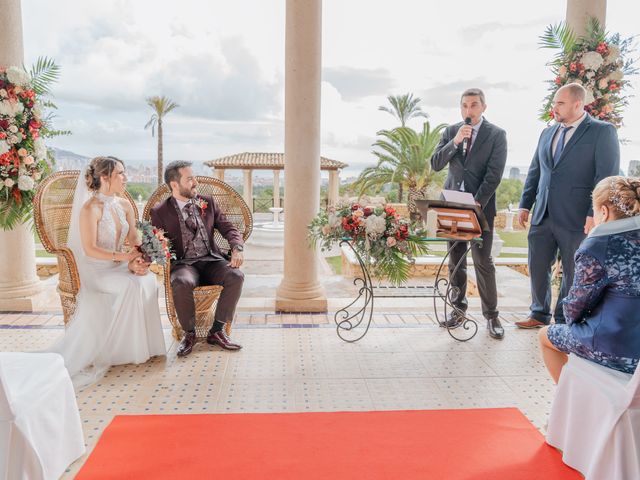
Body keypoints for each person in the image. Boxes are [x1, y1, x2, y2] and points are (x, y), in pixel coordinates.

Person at [50, 156, 166, 388]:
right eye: (120, 174)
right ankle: (119, 352)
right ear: (104, 178)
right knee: (130, 285)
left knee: (147, 280)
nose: (125, 178)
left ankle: (145, 348)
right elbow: (90, 249)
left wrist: (143, 256)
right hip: (96, 270)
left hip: (117, 264)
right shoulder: (89, 209)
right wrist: (126, 259)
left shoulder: (124, 205)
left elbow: (133, 239)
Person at [516, 83, 620, 329]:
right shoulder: (547, 133)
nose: (554, 108)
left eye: (559, 103)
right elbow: (535, 171)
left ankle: (564, 318)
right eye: (554, 103)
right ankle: (538, 314)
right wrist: (525, 204)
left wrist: (593, 213)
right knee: (538, 265)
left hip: (578, 216)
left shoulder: (602, 131)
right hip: (543, 213)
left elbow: (606, 176)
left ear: (577, 104)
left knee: (573, 271)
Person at [539, 176, 640, 383]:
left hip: (617, 348)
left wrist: (574, 321)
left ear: (604, 212)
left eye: (594, 211)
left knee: (545, 335)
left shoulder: (598, 245)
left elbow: (576, 306)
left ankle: (572, 400)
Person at [431, 88, 507, 339]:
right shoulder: (451, 132)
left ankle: (492, 316)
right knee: (456, 261)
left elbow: (494, 175)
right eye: (464, 106)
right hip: (451, 204)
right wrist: (454, 143)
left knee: (483, 261)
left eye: (474, 105)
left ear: (484, 107)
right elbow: (436, 164)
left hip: (479, 207)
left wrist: (475, 203)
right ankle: (457, 310)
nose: (468, 111)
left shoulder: (496, 135)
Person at [150, 161, 245, 357]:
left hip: (211, 260)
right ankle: (189, 333)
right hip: (184, 264)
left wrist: (237, 248)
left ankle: (217, 330)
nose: (196, 182)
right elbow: (155, 244)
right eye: (190, 179)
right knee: (181, 281)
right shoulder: (160, 211)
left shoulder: (208, 202)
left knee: (236, 276)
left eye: (195, 177)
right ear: (174, 184)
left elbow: (229, 228)